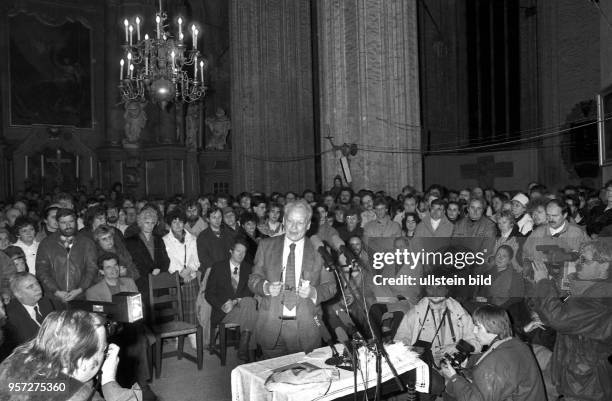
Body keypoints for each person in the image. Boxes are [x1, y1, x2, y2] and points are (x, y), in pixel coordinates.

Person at [248, 199, 337, 358]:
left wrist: (313, 292)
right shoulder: (266, 246)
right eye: (290, 221)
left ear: (308, 225)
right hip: (271, 326)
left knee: (306, 378)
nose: (294, 227)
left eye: (300, 223)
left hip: (307, 327)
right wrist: (265, 287)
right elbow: (253, 279)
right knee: (273, 378)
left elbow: (331, 287)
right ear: (283, 221)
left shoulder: (320, 251)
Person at [531, 240, 612, 401]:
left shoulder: (602, 298)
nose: (579, 264)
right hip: (566, 363)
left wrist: (542, 281)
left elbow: (559, 318)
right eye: (579, 258)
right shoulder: (587, 288)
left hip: (585, 381)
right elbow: (571, 320)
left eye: (585, 260)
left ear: (604, 266)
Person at [0, 309, 141, 400]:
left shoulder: (14, 361)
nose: (104, 354)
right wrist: (109, 381)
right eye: (103, 350)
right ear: (82, 362)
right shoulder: (79, 396)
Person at [441, 304, 546, 401]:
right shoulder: (515, 343)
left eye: (478, 327)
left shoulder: (495, 362)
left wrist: (453, 378)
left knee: (450, 393)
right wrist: (468, 362)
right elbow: (489, 356)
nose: (474, 331)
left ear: (492, 327)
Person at [86, 253, 155, 399]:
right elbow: (96, 319)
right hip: (110, 332)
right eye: (108, 267)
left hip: (132, 327)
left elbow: (140, 305)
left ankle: (142, 383)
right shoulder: (93, 291)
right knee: (123, 340)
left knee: (138, 337)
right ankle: (119, 385)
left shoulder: (129, 282)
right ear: (101, 271)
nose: (113, 270)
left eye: (115, 265)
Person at [205, 240, 257, 362]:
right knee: (255, 314)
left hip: (241, 307)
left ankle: (244, 348)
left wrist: (235, 301)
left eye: (244, 252)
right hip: (224, 312)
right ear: (231, 251)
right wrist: (222, 306)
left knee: (250, 302)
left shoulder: (248, 268)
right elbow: (209, 293)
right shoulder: (218, 267)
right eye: (238, 251)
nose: (241, 255)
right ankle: (250, 353)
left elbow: (249, 291)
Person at [35, 208, 98, 306]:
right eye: (63, 222)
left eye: (71, 221)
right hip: (54, 298)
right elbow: (41, 271)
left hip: (81, 297)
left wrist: (79, 290)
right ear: (58, 223)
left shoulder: (87, 243)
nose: (68, 226)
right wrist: (56, 291)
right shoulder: (46, 244)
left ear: (76, 221)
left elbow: (92, 269)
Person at [162, 209, 200, 349]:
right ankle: (179, 335)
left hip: (191, 276)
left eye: (180, 221)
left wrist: (189, 270)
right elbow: (169, 261)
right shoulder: (165, 240)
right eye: (174, 221)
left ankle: (192, 334)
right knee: (178, 308)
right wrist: (180, 273)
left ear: (184, 222)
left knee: (192, 308)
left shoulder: (193, 238)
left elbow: (196, 259)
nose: (178, 224)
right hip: (175, 277)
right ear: (170, 224)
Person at [3, 273, 55, 350]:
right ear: (18, 294)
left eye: (37, 283)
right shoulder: (10, 315)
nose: (37, 288)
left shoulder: (45, 302)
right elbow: (19, 346)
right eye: (30, 287)